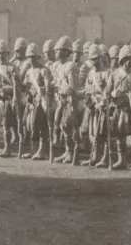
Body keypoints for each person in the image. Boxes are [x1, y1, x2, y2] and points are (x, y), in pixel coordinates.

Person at [105, 45, 131, 170]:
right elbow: (107, 91)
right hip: (119, 107)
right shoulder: (114, 74)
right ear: (123, 59)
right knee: (119, 135)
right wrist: (113, 94)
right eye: (129, 59)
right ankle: (121, 160)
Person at [53, 36, 82, 165]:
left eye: (59, 50)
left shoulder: (71, 66)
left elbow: (73, 88)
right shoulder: (57, 66)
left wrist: (64, 93)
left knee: (71, 127)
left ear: (66, 51)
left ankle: (73, 153)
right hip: (61, 100)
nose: (56, 52)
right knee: (62, 126)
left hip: (70, 101)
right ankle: (67, 151)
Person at [22, 43, 52, 160]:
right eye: (29, 57)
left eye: (33, 57)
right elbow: (24, 86)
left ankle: (41, 150)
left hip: (42, 101)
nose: (30, 59)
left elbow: (48, 87)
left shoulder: (44, 70)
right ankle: (33, 149)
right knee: (28, 124)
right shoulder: (29, 72)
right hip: (32, 101)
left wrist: (40, 90)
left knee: (40, 125)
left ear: (37, 57)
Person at [0, 40, 17, 157]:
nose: (1, 56)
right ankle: (5, 147)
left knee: (7, 124)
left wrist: (6, 89)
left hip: (9, 100)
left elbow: (17, 87)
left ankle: (8, 148)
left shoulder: (12, 68)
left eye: (3, 53)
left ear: (8, 54)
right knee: (1, 125)